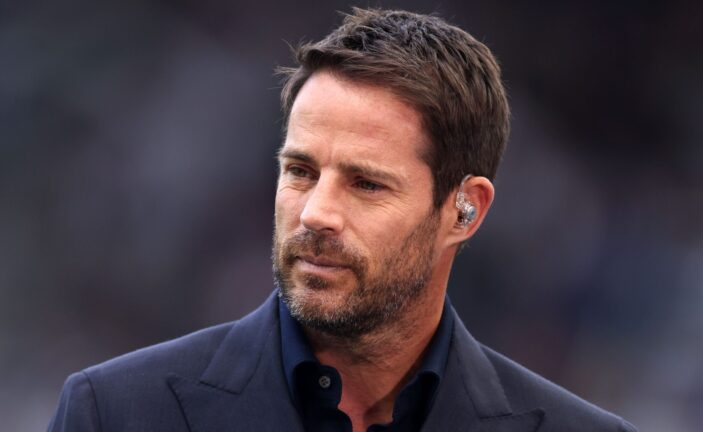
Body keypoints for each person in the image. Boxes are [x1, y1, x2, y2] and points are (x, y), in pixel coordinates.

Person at [49, 8, 636, 432]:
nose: (315, 213)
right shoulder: (114, 412)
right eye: (300, 171)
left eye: (366, 184)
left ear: (465, 210)